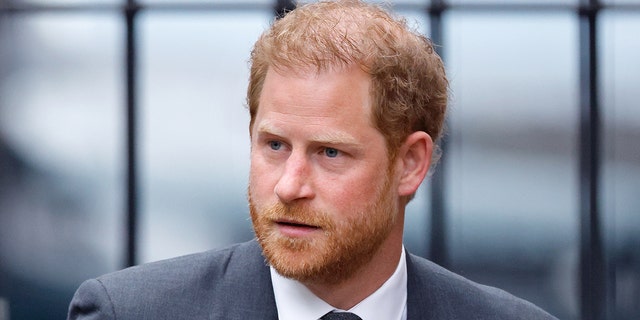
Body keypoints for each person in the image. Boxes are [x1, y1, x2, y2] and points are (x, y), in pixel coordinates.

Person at [67, 1, 557, 319]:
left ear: (410, 163)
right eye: (274, 145)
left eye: (329, 152)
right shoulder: (128, 313)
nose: (288, 185)